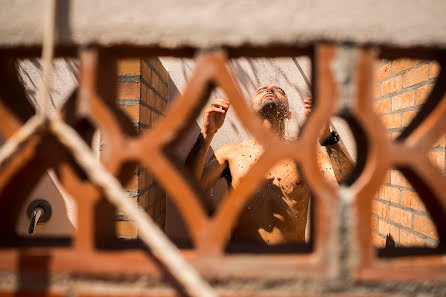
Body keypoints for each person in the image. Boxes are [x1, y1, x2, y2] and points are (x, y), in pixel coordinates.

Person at [186, 84, 353, 244]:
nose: (270, 89)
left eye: (278, 90)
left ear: (288, 113)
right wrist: (206, 134)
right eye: (261, 90)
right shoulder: (230, 153)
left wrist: (327, 136)